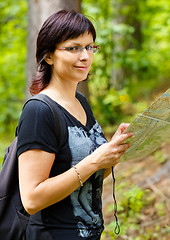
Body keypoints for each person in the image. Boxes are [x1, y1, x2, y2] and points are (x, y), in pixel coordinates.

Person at [17, 10, 133, 240]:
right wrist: (95, 160)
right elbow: (31, 199)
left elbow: (89, 174)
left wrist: (112, 154)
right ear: (48, 56)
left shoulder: (81, 102)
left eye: (90, 47)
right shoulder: (39, 111)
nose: (85, 56)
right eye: (73, 48)